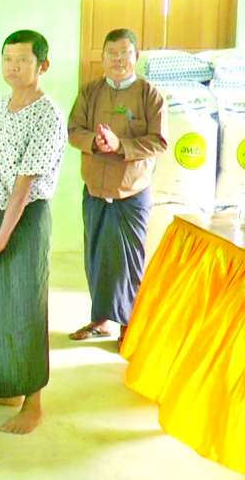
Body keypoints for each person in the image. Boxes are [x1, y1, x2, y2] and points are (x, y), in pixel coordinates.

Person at [0, 30, 65, 434]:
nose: (13, 67)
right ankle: (7, 389)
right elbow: (7, 157)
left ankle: (34, 403)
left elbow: (24, 182)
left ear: (42, 66)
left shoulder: (47, 114)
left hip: (25, 217)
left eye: (23, 60)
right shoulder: (3, 105)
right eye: (7, 59)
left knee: (25, 307)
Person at [67, 28, 167, 348]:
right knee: (96, 258)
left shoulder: (149, 94)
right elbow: (73, 130)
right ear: (103, 58)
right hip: (95, 190)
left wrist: (120, 144)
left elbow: (159, 141)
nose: (118, 60)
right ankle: (101, 320)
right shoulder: (90, 92)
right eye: (111, 53)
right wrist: (95, 142)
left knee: (129, 261)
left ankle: (130, 325)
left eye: (125, 53)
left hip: (131, 192)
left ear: (136, 56)